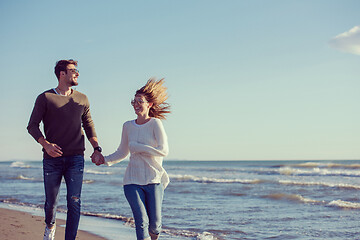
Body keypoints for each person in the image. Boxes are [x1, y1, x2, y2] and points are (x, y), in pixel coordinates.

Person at [27, 59, 104, 240]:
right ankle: (50, 226)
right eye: (73, 70)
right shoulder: (45, 97)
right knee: (51, 204)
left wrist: (97, 148)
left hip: (76, 158)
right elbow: (32, 126)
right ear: (62, 73)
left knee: (74, 201)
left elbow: (89, 125)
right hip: (52, 159)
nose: (77, 73)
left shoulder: (82, 99)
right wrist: (46, 145)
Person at [98, 78, 170, 240]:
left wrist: (139, 147)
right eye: (134, 101)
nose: (136, 104)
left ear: (149, 104)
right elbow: (122, 152)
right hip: (132, 181)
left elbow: (164, 151)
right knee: (141, 220)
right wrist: (104, 159)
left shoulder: (155, 124)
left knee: (155, 225)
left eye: (140, 101)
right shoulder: (127, 126)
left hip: (154, 180)